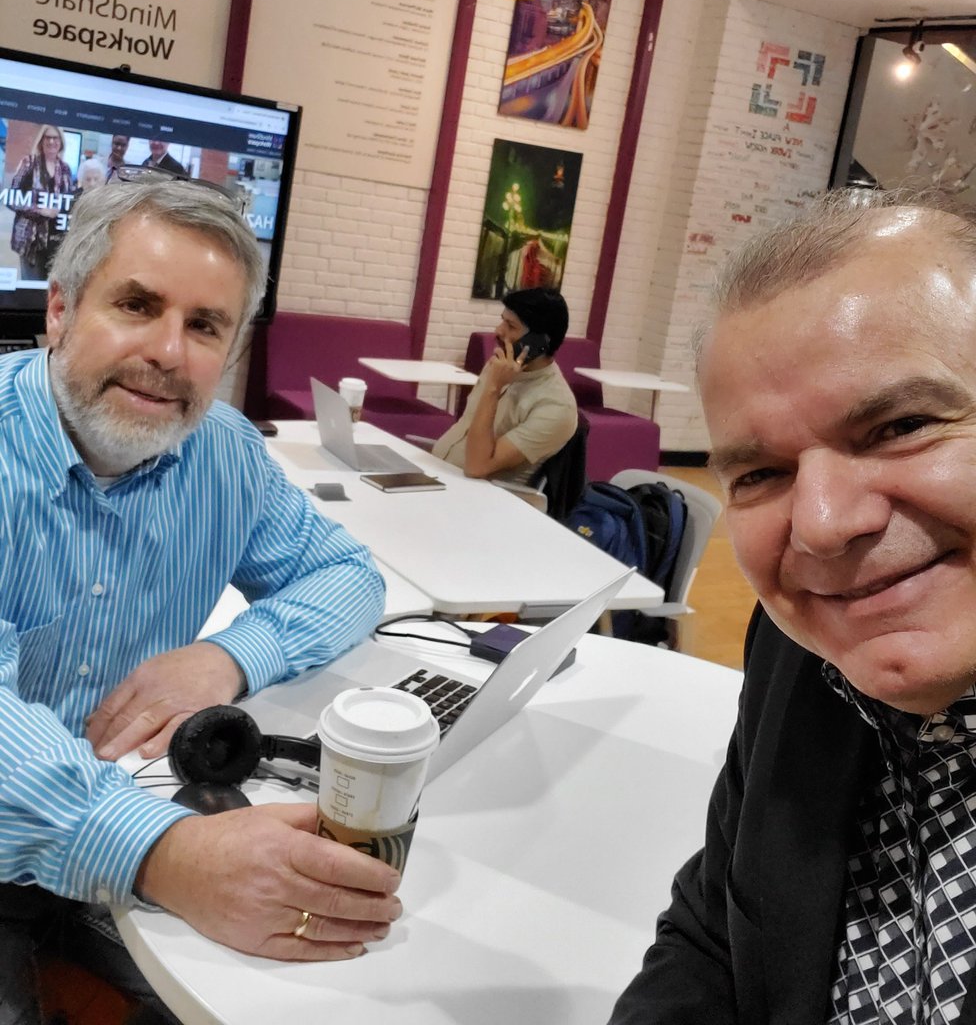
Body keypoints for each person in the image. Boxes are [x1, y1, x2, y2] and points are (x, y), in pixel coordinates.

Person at [0, 177, 399, 1024]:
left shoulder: (224, 453)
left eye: (206, 325)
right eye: (137, 305)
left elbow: (347, 575)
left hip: (128, 810)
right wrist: (166, 853)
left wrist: (227, 655)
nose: (169, 352)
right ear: (60, 310)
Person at [609, 186, 976, 1024]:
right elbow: (715, 930)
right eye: (761, 474)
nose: (821, 525)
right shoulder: (798, 652)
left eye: (901, 426)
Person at [433, 288, 577, 484]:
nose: (498, 331)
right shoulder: (498, 366)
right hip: (438, 473)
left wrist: (494, 387)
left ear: (539, 342)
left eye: (511, 326)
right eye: (502, 321)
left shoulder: (557, 406)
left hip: (476, 493)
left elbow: (476, 467)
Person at [7, 123, 74, 281]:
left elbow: (68, 201)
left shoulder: (65, 169)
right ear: (41, 141)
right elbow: (11, 198)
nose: (51, 141)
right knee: (32, 288)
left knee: (50, 289)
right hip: (30, 241)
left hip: (55, 244)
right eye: (47, 137)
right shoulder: (29, 163)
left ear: (61, 142)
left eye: (55, 138)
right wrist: (39, 210)